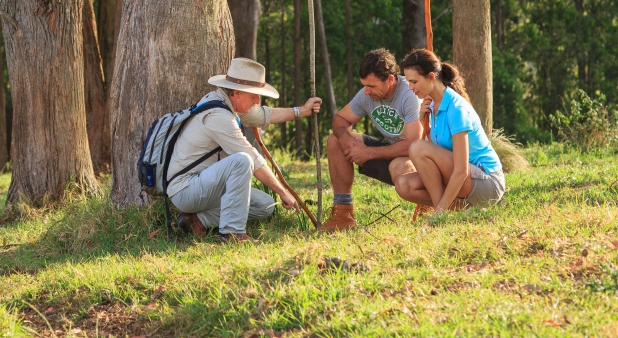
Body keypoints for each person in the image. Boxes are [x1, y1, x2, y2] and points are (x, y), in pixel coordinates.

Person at [169, 58, 322, 243]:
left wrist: (301, 111)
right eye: (254, 95)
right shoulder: (218, 116)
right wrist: (282, 192)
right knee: (243, 160)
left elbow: (264, 114)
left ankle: (197, 221)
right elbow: (253, 158)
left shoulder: (228, 102)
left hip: (206, 185)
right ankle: (233, 234)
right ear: (237, 93)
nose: (257, 100)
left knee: (265, 205)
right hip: (186, 190)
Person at [320, 49, 422, 232]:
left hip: (419, 161)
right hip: (390, 152)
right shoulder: (366, 93)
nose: (366, 91)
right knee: (334, 140)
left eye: (372, 86)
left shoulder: (410, 94)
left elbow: (414, 145)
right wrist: (348, 143)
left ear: (390, 79)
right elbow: (339, 120)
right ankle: (343, 214)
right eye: (364, 85)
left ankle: (428, 206)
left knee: (400, 167)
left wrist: (367, 152)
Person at [394, 49, 506, 214]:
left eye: (414, 82)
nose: (410, 88)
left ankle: (440, 213)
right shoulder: (432, 106)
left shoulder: (457, 109)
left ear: (431, 77)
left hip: (487, 182)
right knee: (404, 185)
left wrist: (437, 211)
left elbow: (460, 171)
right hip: (465, 178)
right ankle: (459, 211)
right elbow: (433, 156)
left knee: (417, 147)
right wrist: (421, 119)